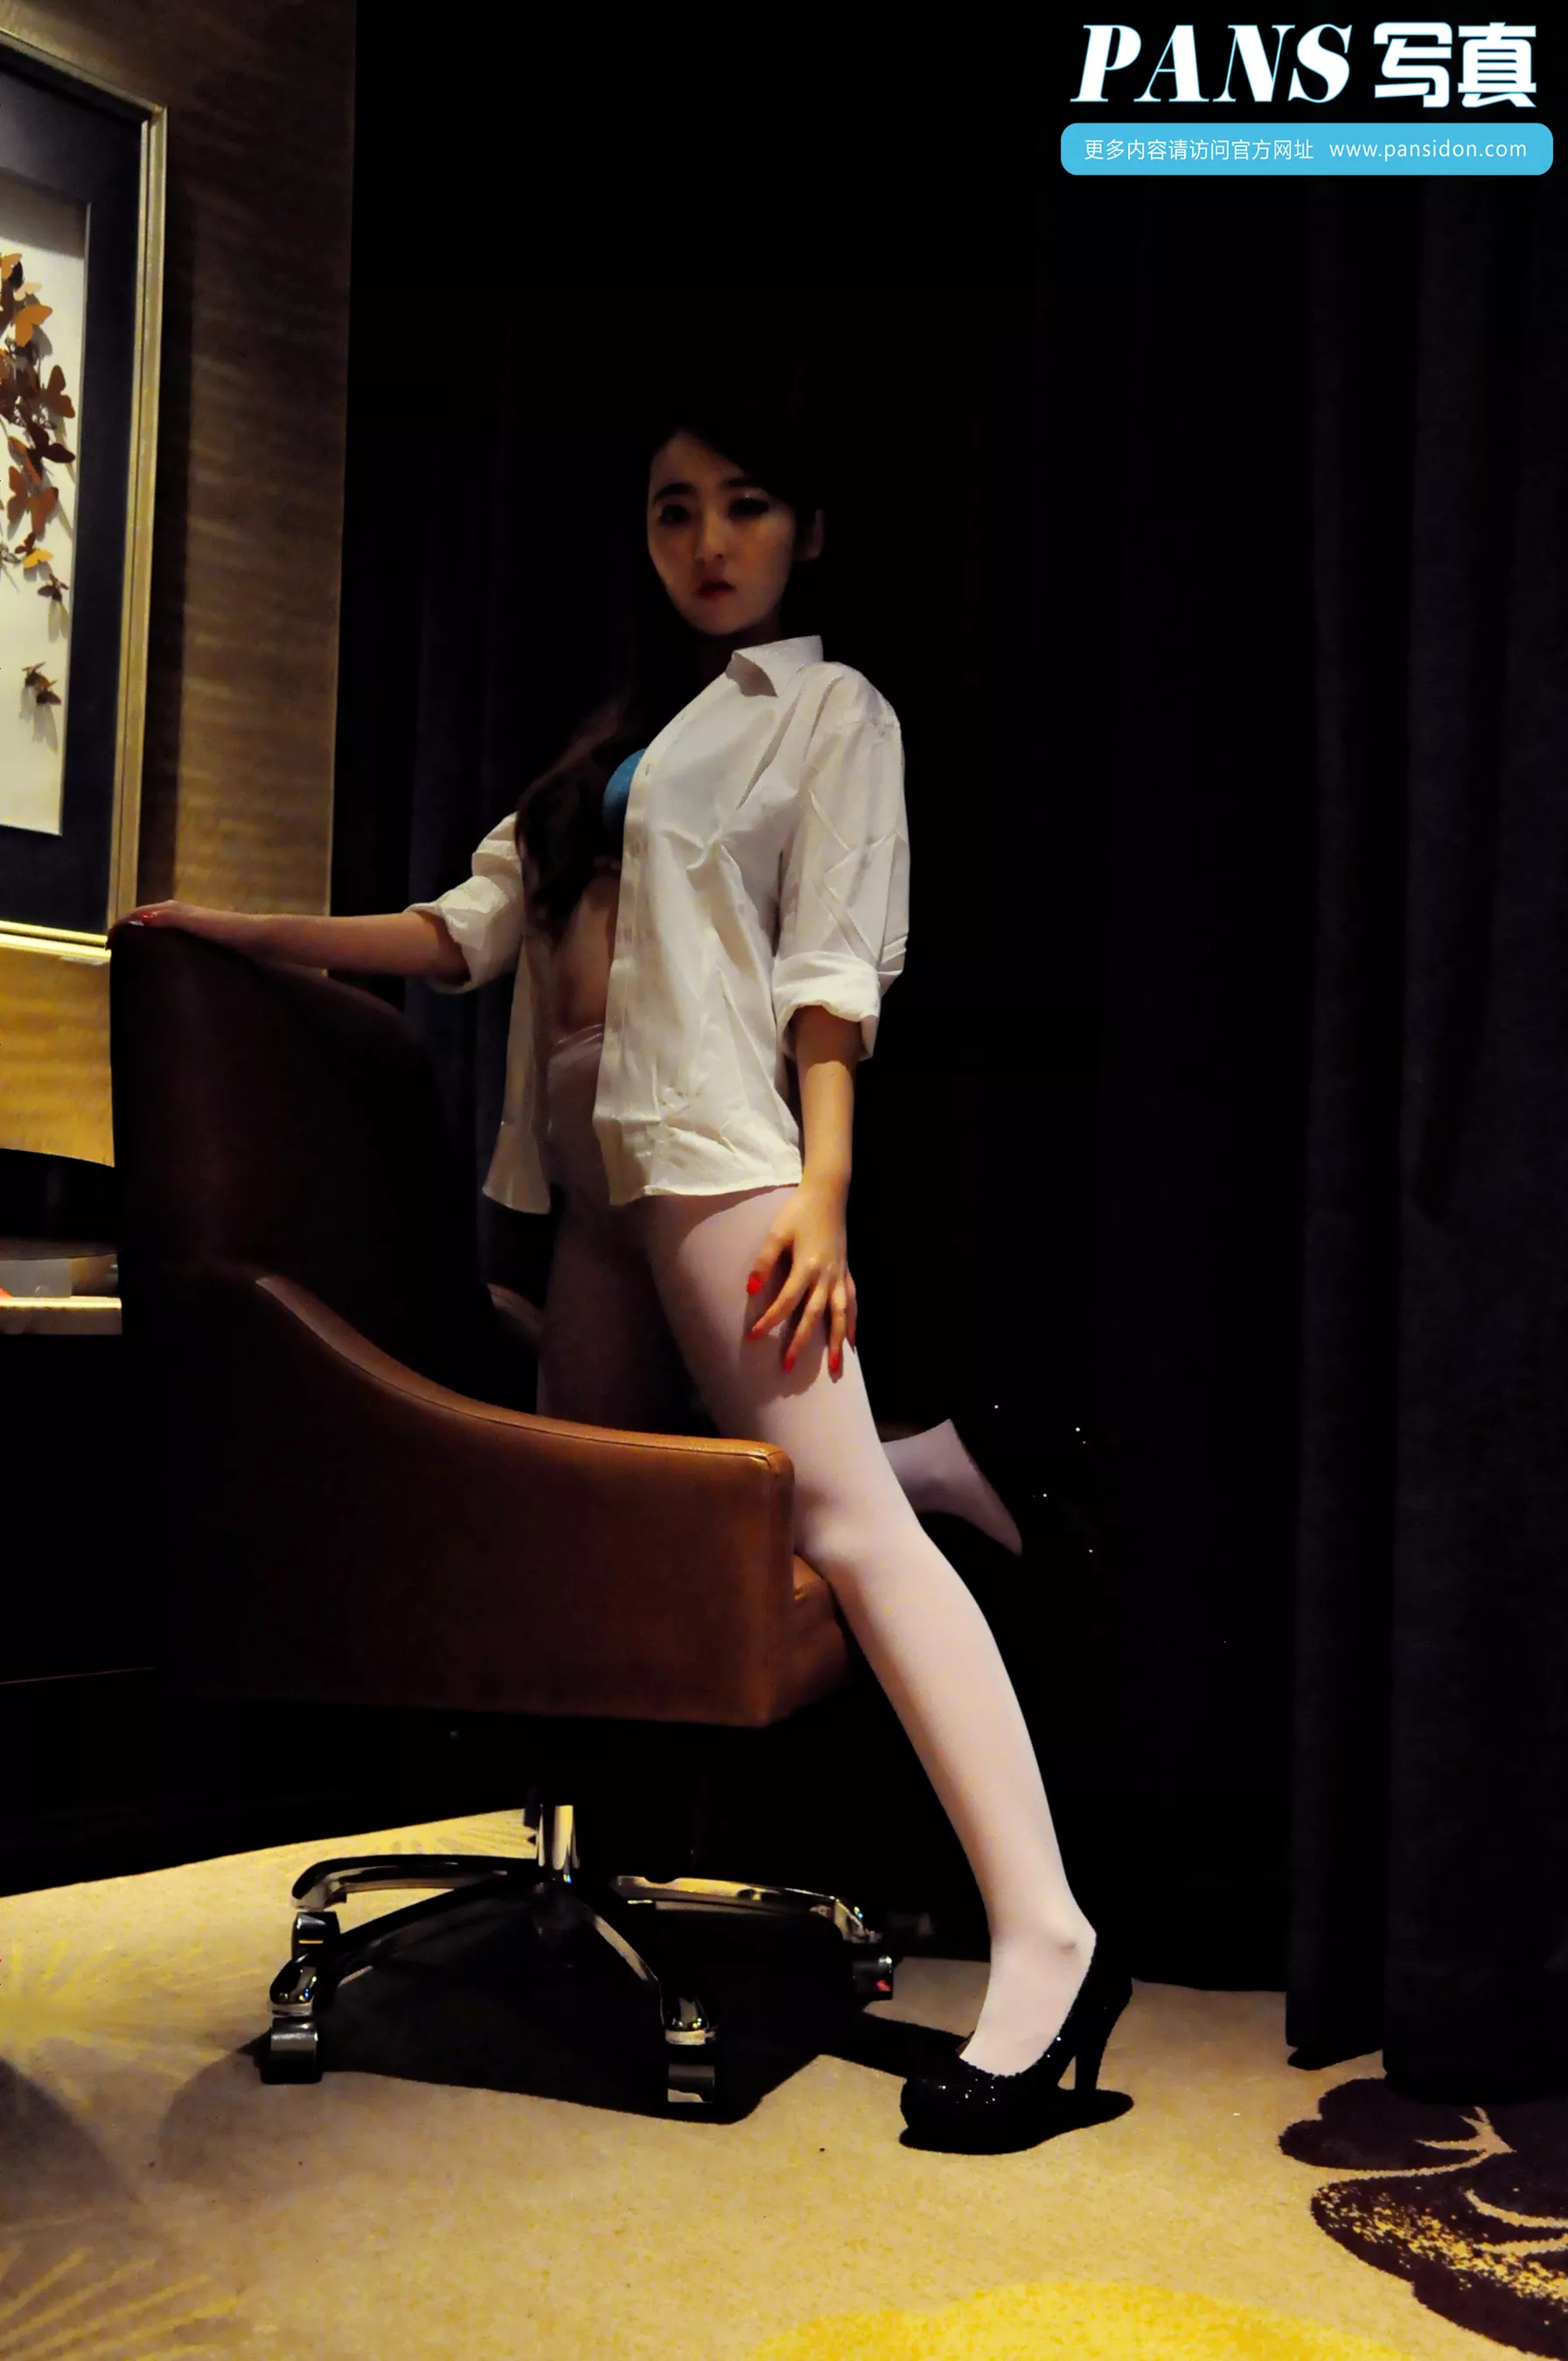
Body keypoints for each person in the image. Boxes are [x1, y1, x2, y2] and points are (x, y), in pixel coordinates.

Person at [122, 406, 1129, 2151]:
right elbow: (455, 936)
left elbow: (830, 975)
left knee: (839, 1528)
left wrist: (825, 1196)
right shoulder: (616, 749)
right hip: (590, 1186)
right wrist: (229, 928)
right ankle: (927, 1464)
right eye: (673, 512)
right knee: (603, 1529)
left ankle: (1050, 1937)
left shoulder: (826, 711)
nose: (708, 543)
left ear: (808, 528)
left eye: (744, 505)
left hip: (717, 1152)